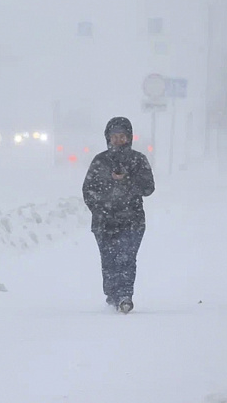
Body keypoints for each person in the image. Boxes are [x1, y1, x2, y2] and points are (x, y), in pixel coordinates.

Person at [82, 117, 155, 313]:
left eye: (122, 136)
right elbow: (88, 190)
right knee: (108, 260)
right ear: (108, 137)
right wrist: (101, 208)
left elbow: (148, 187)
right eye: (114, 136)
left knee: (127, 258)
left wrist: (127, 180)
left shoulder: (138, 160)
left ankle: (125, 296)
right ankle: (112, 295)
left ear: (129, 137)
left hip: (132, 220)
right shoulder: (100, 161)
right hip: (104, 222)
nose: (118, 140)